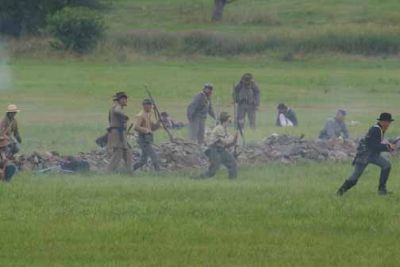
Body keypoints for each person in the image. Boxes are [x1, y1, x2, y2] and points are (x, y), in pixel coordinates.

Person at [337, 113, 395, 196]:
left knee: (386, 165)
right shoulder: (376, 130)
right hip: (364, 156)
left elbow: (375, 144)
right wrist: (387, 147)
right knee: (354, 177)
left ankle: (382, 191)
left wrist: (387, 146)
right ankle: (339, 193)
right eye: (388, 122)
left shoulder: (379, 129)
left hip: (372, 155)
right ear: (383, 122)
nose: (389, 124)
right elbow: (373, 146)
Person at [195, 112, 238, 179]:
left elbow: (228, 143)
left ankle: (233, 182)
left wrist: (234, 139)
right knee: (214, 169)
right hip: (213, 149)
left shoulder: (225, 129)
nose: (230, 122)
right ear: (225, 120)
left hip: (220, 149)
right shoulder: (219, 128)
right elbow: (225, 142)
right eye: (229, 121)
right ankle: (198, 179)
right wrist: (233, 137)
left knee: (232, 163)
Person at [106, 92, 133, 174]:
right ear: (119, 100)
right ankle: (109, 173)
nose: (125, 101)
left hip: (121, 134)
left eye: (126, 99)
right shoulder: (117, 106)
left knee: (128, 153)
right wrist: (124, 115)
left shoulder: (118, 107)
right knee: (117, 154)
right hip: (117, 134)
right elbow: (117, 111)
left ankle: (129, 173)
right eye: (123, 99)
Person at [133, 99, 161, 171]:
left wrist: (158, 123)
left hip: (147, 140)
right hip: (143, 140)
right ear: (145, 106)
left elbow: (152, 128)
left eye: (151, 105)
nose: (151, 107)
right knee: (154, 156)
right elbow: (136, 127)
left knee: (143, 161)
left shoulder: (147, 115)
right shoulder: (140, 115)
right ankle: (159, 172)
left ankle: (130, 170)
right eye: (149, 105)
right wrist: (146, 130)